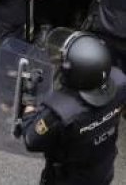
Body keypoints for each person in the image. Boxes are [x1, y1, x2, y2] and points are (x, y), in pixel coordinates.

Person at [21, 31, 126, 185]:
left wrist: (29, 99)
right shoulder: (120, 82)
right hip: (103, 172)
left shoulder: (60, 112)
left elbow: (31, 140)